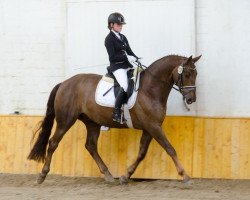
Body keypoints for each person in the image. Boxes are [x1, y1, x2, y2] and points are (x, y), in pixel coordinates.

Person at [105, 12, 139, 124]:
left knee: (139, 78)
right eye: (118, 24)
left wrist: (136, 58)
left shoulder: (123, 37)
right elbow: (112, 57)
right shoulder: (109, 39)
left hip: (127, 66)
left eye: (121, 24)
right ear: (111, 25)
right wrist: (126, 57)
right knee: (124, 85)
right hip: (117, 67)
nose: (121, 26)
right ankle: (116, 113)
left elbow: (129, 50)